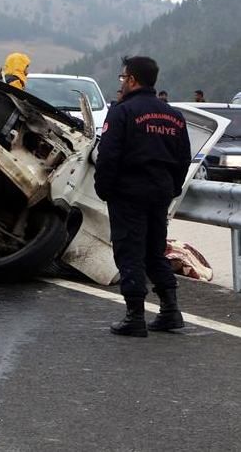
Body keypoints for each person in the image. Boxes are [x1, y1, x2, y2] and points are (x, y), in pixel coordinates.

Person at [94, 56, 191, 337]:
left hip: (128, 193)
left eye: (123, 78)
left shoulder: (122, 112)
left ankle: (134, 315)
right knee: (154, 250)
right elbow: (183, 158)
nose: (122, 82)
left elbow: (108, 156)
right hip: (160, 193)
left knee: (129, 251)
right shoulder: (173, 115)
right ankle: (170, 310)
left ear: (132, 80)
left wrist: (104, 189)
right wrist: (172, 187)